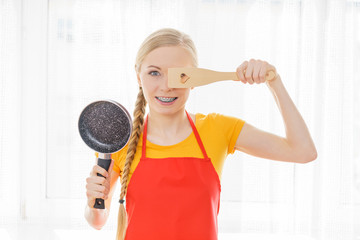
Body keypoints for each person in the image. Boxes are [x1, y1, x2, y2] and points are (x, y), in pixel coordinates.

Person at [85, 28, 317, 240]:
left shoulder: (219, 129)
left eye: (181, 75)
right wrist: (93, 199)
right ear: (138, 77)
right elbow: (97, 220)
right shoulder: (119, 140)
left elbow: (303, 151)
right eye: (154, 73)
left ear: (195, 80)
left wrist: (274, 82)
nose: (166, 86)